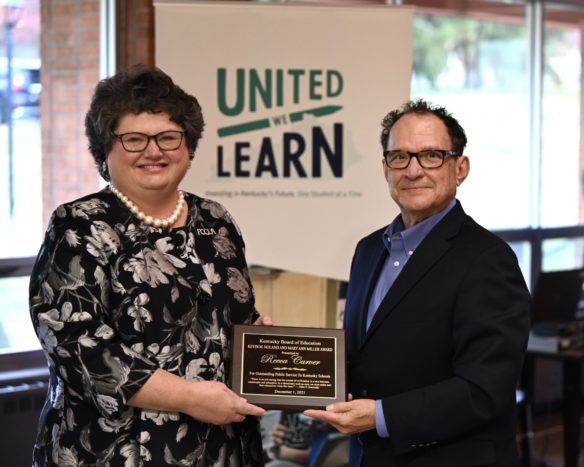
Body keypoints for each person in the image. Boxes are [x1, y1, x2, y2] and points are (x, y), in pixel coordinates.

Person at [29, 64, 272, 466]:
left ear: (188, 146)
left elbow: (231, 317)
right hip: (114, 451)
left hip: (222, 447)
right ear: (106, 149)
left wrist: (259, 343)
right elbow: (79, 348)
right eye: (134, 139)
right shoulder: (78, 225)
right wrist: (192, 399)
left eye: (168, 137)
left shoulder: (216, 220)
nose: (154, 151)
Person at [304, 99, 531, 467]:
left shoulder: (489, 260)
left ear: (460, 168)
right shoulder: (368, 250)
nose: (413, 170)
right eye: (400, 157)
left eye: (431, 156)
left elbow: (484, 390)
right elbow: (370, 355)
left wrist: (380, 416)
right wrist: (285, 359)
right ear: (385, 168)